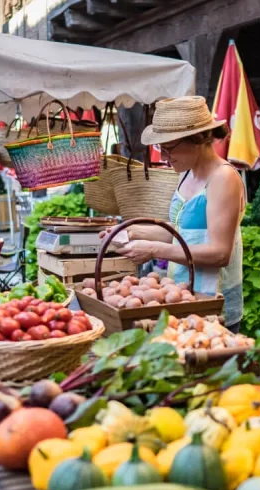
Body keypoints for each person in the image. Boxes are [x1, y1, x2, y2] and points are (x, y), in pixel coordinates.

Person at [102, 96, 246, 332]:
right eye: (161, 149)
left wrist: (154, 250)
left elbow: (220, 253)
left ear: (198, 138)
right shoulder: (186, 173)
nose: (164, 158)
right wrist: (130, 231)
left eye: (168, 149)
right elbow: (181, 230)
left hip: (212, 304)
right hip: (181, 298)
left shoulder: (223, 178)